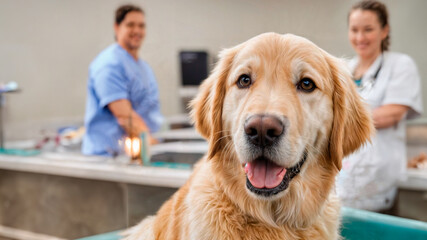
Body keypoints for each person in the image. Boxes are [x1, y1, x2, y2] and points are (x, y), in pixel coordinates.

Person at [337, 0, 423, 212]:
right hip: (341, 184)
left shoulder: (400, 65)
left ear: (384, 31)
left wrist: (340, 118)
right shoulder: (344, 69)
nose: (360, 37)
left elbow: (392, 114)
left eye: (368, 30)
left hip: (377, 184)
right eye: (354, 30)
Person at [82, 5, 163, 156]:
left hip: (138, 152)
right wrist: (155, 147)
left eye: (141, 26)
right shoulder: (108, 64)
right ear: (117, 27)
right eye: (130, 25)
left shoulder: (143, 67)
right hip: (108, 156)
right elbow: (125, 117)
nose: (137, 31)